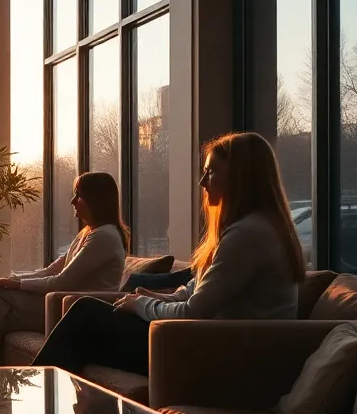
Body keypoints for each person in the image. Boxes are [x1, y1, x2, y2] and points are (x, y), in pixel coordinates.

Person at [33, 132, 305, 376]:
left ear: (239, 178)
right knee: (87, 324)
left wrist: (141, 305)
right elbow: (195, 290)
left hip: (225, 354)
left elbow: (193, 311)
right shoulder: (255, 228)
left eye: (210, 172)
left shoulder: (248, 235)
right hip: (213, 342)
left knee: (85, 316)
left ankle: (39, 394)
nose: (202, 181)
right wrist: (159, 298)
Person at [0, 172, 128, 366]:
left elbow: (62, 281)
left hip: (71, 310)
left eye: (78, 195)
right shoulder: (88, 233)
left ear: (95, 199)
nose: (72, 201)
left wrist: (17, 284)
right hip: (60, 303)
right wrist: (13, 279)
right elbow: (51, 270)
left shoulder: (104, 237)